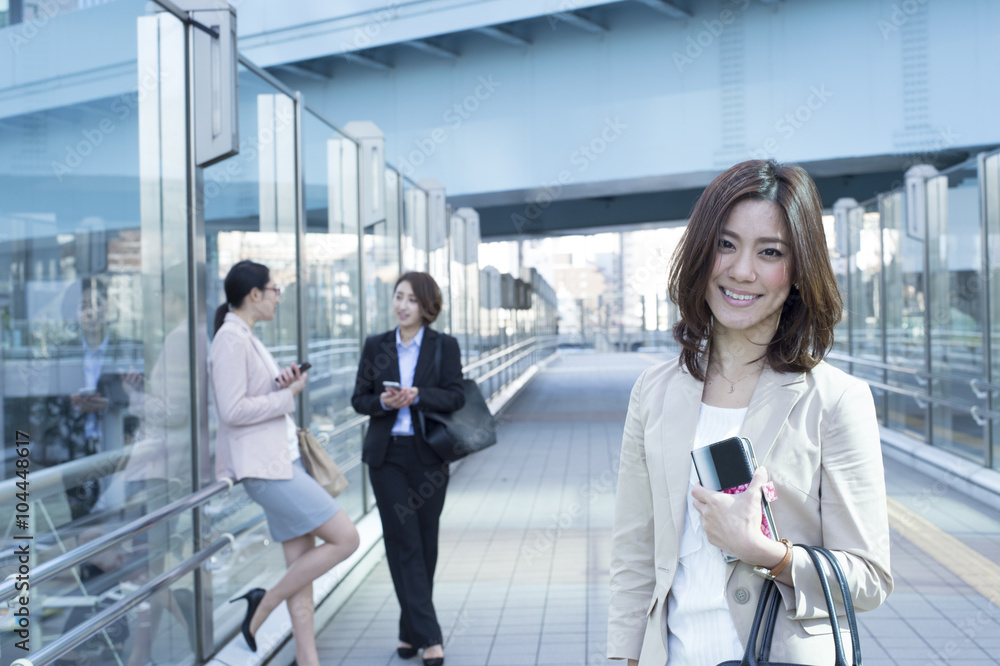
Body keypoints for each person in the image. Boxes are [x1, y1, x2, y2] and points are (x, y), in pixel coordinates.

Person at [607, 160, 893, 665]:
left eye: (770, 252)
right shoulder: (652, 393)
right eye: (726, 244)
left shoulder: (835, 400)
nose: (742, 270)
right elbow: (634, 559)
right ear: (701, 253)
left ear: (800, 271)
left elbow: (868, 578)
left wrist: (767, 553)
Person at [209, 260, 359, 666]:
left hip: (280, 461)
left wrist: (282, 383)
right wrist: (286, 396)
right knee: (347, 538)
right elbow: (232, 410)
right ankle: (263, 604)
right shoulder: (230, 339)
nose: (278, 297)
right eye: (274, 290)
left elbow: (251, 396)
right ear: (254, 294)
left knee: (303, 571)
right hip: (266, 470)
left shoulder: (247, 336)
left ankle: (308, 660)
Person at [351, 272, 465, 666]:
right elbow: (358, 399)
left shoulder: (443, 346)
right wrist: (384, 402)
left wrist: (417, 396)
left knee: (424, 544)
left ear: (427, 307)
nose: (402, 305)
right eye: (398, 297)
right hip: (387, 458)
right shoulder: (376, 345)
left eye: (411, 300)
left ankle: (408, 629)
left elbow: (454, 395)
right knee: (405, 542)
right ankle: (430, 637)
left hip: (429, 455)